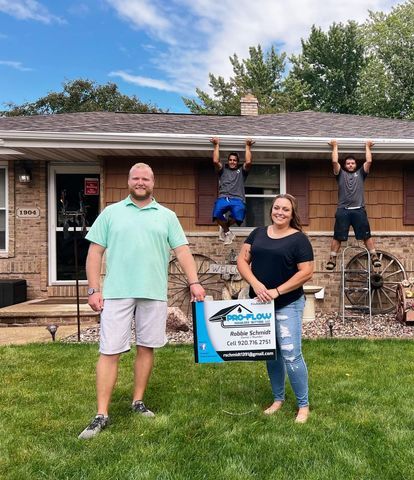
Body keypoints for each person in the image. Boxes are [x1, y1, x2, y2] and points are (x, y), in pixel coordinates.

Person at [78, 162, 206, 439]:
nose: (140, 182)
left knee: (146, 347)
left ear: (153, 182)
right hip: (116, 293)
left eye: (145, 178)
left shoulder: (167, 216)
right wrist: (93, 289)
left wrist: (194, 282)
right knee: (109, 350)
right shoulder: (111, 213)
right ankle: (101, 414)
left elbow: (183, 252)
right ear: (128, 181)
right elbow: (94, 253)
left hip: (153, 292)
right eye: (135, 178)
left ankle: (137, 401)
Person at [236, 194, 314, 423]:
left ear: (292, 214)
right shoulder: (258, 233)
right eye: (277, 208)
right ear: (272, 210)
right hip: (260, 305)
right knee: (272, 355)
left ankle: (303, 405)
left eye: (285, 209)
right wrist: (256, 283)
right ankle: (278, 399)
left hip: (287, 303)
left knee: (291, 354)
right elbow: (242, 261)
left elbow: (307, 272)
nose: (280, 212)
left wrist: (277, 291)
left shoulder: (299, 239)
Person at [325, 139, 381, 271]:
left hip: (359, 210)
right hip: (343, 210)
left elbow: (369, 162)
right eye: (348, 163)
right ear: (345, 165)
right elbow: (334, 161)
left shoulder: (361, 174)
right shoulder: (340, 174)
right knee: (338, 236)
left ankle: (374, 256)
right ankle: (332, 258)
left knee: (366, 235)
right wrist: (335, 146)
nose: (350, 165)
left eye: (352, 163)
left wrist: (367, 146)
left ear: (356, 165)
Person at [210, 137, 254, 245]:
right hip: (223, 197)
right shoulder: (223, 170)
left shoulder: (241, 171)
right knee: (216, 214)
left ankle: (225, 229)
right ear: (228, 161)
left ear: (237, 162)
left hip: (238, 199)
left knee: (238, 216)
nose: (232, 162)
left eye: (234, 160)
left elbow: (248, 162)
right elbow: (215, 161)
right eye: (230, 160)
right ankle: (228, 232)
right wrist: (216, 145)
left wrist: (248, 146)